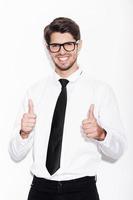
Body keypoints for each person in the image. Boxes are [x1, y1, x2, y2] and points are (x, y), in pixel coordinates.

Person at [9, 17, 126, 200]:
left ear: (79, 45)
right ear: (48, 49)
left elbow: (118, 150)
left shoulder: (100, 91)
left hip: (81, 191)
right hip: (40, 190)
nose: (62, 51)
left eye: (69, 45)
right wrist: (24, 132)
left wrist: (101, 134)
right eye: (55, 46)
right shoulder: (34, 92)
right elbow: (15, 153)